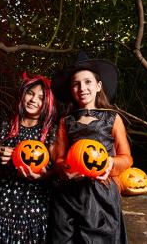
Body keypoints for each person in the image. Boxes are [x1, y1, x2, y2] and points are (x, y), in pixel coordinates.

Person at [0, 72, 57, 244]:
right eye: (30, 93)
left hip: (34, 201)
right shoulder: (8, 125)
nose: (33, 99)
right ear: (23, 95)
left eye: (41, 97)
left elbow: (56, 171)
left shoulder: (50, 132)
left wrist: (42, 176)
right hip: (4, 198)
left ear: (47, 104)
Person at [49, 51, 133, 244]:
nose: (82, 88)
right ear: (71, 90)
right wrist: (64, 169)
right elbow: (59, 159)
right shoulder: (66, 121)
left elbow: (126, 157)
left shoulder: (112, 118)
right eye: (76, 84)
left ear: (98, 86)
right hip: (68, 194)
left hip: (101, 193)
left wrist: (109, 163)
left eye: (87, 82)